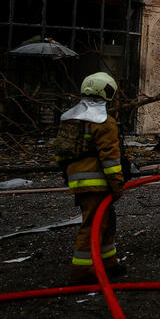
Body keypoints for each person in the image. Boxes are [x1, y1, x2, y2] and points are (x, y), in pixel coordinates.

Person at [54, 72, 126, 284]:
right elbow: (110, 159)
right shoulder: (104, 122)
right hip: (97, 183)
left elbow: (61, 153)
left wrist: (68, 177)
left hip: (78, 180)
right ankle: (83, 272)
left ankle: (108, 263)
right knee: (93, 225)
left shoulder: (69, 118)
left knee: (105, 222)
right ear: (107, 92)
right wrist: (117, 185)